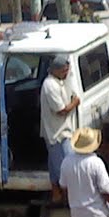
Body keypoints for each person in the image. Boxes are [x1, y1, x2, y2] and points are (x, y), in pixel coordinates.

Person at [41, 56, 82, 191]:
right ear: (56, 70)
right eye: (64, 71)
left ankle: (57, 193)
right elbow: (61, 111)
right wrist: (75, 103)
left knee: (56, 164)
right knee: (63, 167)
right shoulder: (50, 86)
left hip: (64, 130)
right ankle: (66, 195)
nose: (66, 73)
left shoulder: (61, 81)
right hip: (55, 133)